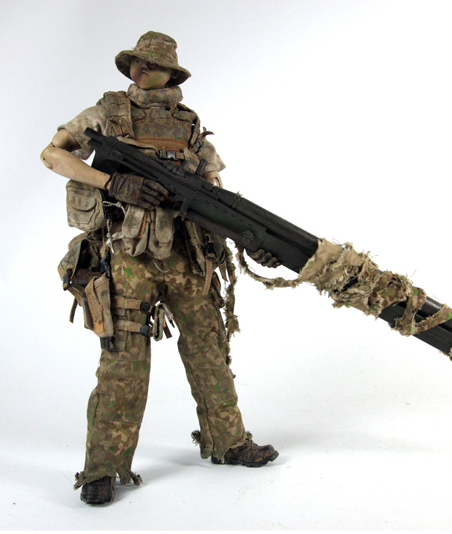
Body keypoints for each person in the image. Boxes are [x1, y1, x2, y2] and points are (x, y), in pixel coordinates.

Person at [41, 31, 278, 505]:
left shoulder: (189, 125)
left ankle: (229, 441)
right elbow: (52, 154)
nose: (142, 68)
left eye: (152, 63)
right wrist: (112, 183)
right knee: (124, 361)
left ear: (172, 74)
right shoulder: (107, 112)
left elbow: (214, 192)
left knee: (209, 349)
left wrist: (251, 240)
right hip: (129, 255)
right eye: (137, 61)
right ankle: (102, 469)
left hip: (189, 254)